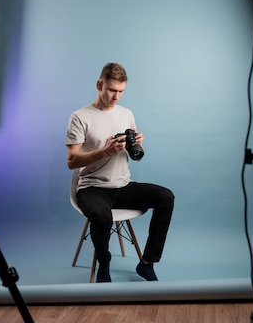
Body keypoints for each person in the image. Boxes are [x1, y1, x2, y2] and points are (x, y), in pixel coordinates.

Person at [65, 62, 175, 283]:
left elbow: (133, 150)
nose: (116, 96)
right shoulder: (80, 117)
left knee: (166, 197)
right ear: (99, 85)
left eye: (121, 91)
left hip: (123, 186)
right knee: (101, 216)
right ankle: (103, 263)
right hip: (92, 187)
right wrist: (104, 151)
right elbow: (72, 161)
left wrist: (137, 144)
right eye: (112, 90)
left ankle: (147, 263)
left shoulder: (126, 114)